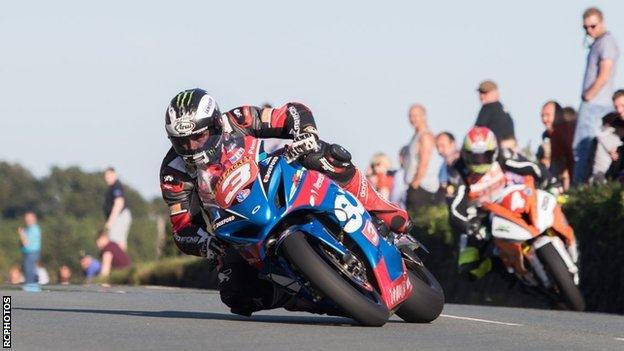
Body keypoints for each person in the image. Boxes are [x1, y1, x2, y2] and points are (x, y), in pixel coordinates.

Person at [159, 88, 420, 316]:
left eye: (198, 137)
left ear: (215, 125)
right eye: (182, 142)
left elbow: (293, 111)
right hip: (236, 227)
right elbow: (182, 229)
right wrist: (208, 244)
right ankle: (310, 296)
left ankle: (385, 212)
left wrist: (306, 133)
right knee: (235, 296)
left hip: (277, 179)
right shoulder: (174, 172)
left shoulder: (238, 119)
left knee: (326, 155)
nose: (192, 147)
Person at [446, 127, 545, 279]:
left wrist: (551, 181)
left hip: (511, 201)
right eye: (474, 157)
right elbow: (454, 210)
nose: (479, 161)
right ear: (465, 155)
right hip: (482, 216)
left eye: (485, 155)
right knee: (468, 267)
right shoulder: (457, 171)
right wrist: (470, 227)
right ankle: (504, 271)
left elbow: (532, 167)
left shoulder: (504, 155)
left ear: (494, 151)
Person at [573, 7, 619, 185]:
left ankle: (578, 189)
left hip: (595, 104)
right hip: (595, 103)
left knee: (582, 148)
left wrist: (588, 95)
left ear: (602, 22)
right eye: (585, 28)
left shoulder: (606, 42)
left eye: (593, 26)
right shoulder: (598, 42)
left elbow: (605, 73)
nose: (589, 31)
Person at [404, 104, 440, 211]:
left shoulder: (425, 136)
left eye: (416, 116)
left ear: (424, 116)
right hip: (415, 187)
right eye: (410, 116)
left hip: (422, 188)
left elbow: (424, 162)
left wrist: (415, 183)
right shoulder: (416, 136)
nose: (412, 119)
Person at [543, 101, 575, 189]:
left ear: (557, 115)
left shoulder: (561, 133)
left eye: (548, 115)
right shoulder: (548, 136)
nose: (544, 119)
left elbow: (560, 166)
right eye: (542, 115)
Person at [475, 80, 516, 149]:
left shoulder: (488, 107)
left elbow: (476, 131)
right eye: (480, 93)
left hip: (495, 150)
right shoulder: (501, 108)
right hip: (508, 150)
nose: (481, 96)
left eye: (485, 93)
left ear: (495, 92)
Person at [103, 167, 132, 251]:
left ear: (114, 174)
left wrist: (110, 222)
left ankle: (120, 263)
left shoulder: (116, 186)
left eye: (108, 176)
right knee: (116, 241)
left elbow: (119, 203)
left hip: (119, 216)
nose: (107, 178)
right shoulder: (112, 187)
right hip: (118, 217)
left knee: (116, 241)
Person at [18, 212, 42, 292]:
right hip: (28, 253)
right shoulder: (29, 229)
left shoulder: (34, 229)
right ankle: (30, 284)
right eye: (26, 218)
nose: (27, 220)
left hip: (32, 252)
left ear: (34, 219)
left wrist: (21, 233)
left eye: (29, 218)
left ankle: (31, 286)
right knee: (28, 268)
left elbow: (26, 243)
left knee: (29, 269)